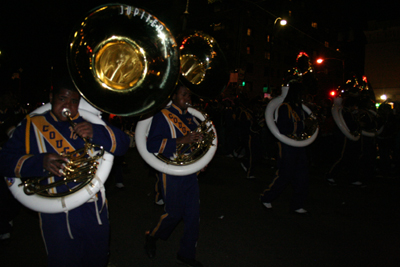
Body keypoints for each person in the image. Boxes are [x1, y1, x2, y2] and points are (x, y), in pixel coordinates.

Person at [0, 74, 130, 267]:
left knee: (97, 257)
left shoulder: (89, 123)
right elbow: (5, 161)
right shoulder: (31, 125)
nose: (68, 106)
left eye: (74, 101)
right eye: (62, 99)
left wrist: (96, 133)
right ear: (51, 98)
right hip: (54, 212)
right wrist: (39, 162)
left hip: (92, 206)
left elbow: (123, 145)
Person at [144, 85, 204, 267]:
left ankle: (186, 253)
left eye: (189, 95)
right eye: (184, 94)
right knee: (174, 213)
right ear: (174, 96)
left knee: (193, 216)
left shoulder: (193, 119)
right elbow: (151, 144)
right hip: (170, 169)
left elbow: (198, 145)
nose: (188, 98)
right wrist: (180, 140)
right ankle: (152, 235)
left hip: (190, 171)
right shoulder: (162, 115)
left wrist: (203, 157)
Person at [260, 81, 311, 215]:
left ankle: (297, 204)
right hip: (287, 145)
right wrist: (303, 125)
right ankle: (266, 197)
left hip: (300, 145)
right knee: (285, 174)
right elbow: (282, 128)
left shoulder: (299, 108)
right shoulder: (284, 107)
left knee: (302, 176)